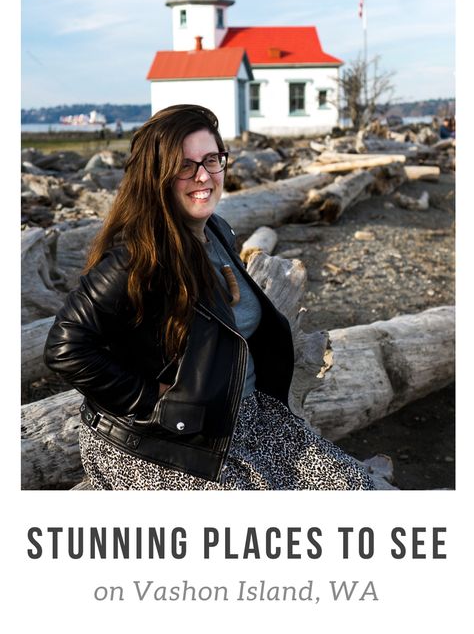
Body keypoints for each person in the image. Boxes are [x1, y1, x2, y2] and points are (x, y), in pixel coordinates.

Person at [44, 104, 374, 491]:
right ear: (157, 176)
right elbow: (65, 348)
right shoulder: (135, 258)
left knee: (354, 489)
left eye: (212, 160)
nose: (203, 176)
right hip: (166, 441)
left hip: (246, 418)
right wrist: (152, 399)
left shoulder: (214, 230)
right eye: (185, 165)